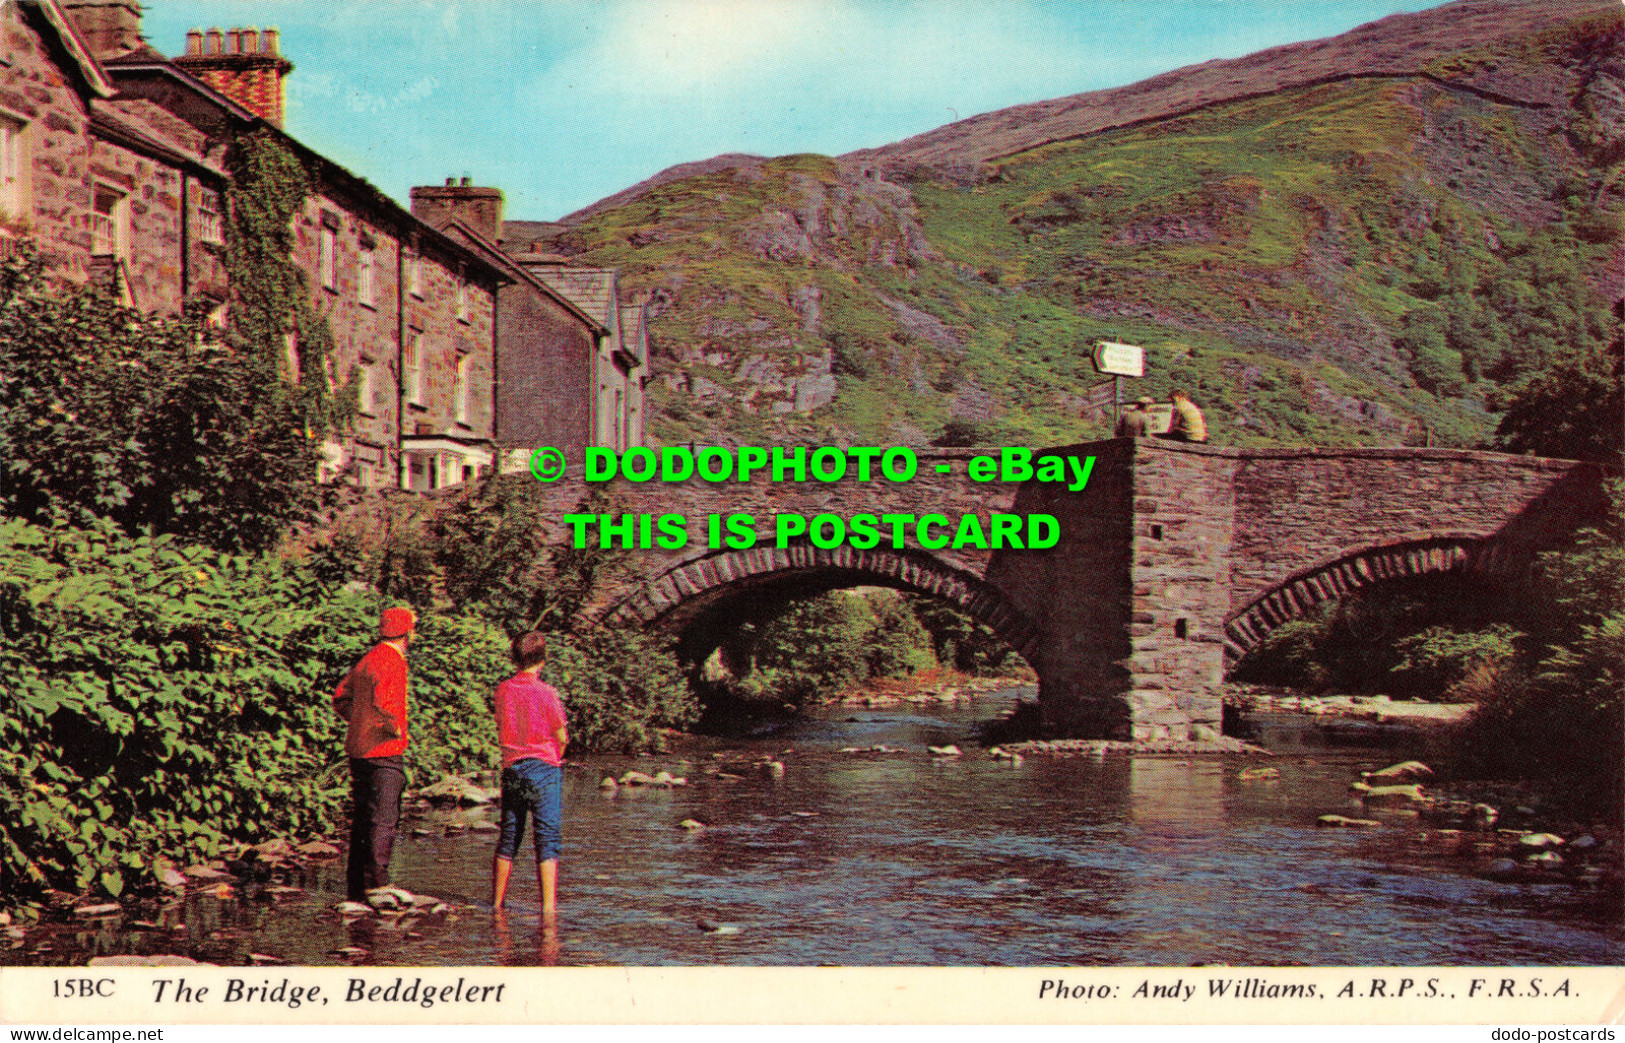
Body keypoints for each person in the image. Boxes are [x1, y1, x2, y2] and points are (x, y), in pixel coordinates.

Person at [332, 606, 415, 902]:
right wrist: (392, 728)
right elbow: (385, 702)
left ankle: (356, 886)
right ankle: (378, 883)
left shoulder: (368, 659)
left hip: (358, 750)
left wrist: (359, 723)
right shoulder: (394, 661)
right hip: (384, 750)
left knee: (363, 817)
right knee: (384, 817)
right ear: (408, 633)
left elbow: (340, 698)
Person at [491, 630, 569, 920]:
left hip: (513, 767)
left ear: (514, 658)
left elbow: (502, 723)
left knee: (510, 835)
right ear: (543, 660)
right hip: (544, 768)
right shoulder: (547, 693)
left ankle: (497, 904)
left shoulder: (503, 690)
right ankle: (548, 910)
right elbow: (561, 736)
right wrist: (556, 756)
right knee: (546, 836)